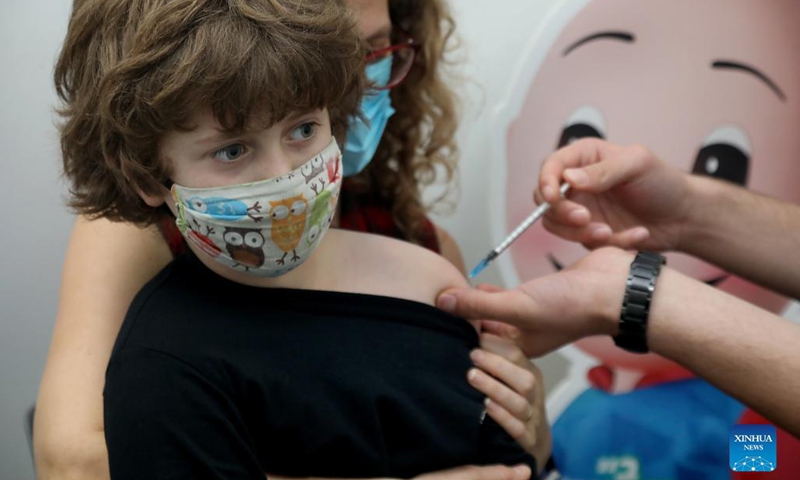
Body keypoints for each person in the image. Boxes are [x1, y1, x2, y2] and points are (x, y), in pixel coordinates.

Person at [33, 1, 549, 479]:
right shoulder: (151, 291)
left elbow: (517, 455)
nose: (360, 78)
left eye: (377, 51)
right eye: (234, 150)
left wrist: (526, 424)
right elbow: (73, 461)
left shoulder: (422, 255)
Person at [437, 138, 800, 439]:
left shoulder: (745, 428)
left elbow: (755, 466)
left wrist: (623, 294)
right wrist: (683, 210)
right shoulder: (587, 413)